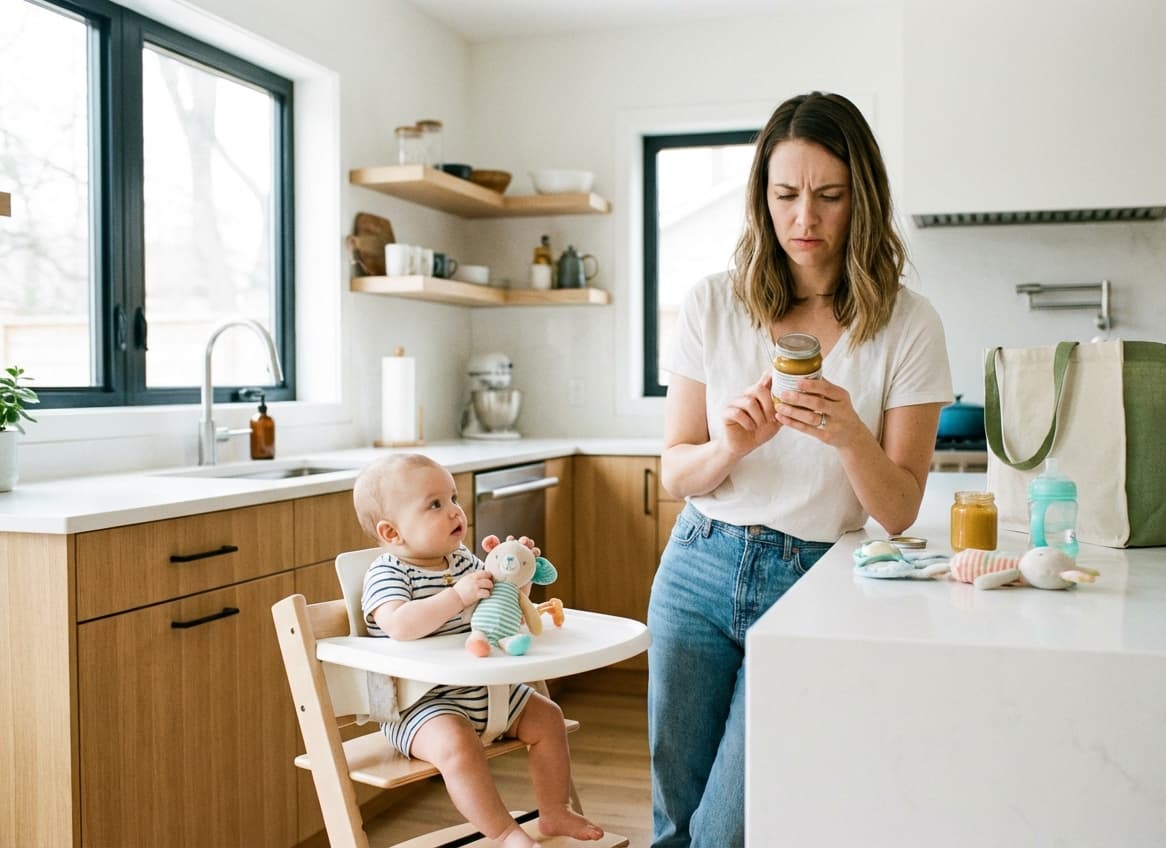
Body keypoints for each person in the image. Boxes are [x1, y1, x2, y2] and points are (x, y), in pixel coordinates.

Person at [648, 91, 954, 846]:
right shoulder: (712, 305)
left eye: (828, 196)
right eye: (785, 196)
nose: (804, 221)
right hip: (696, 568)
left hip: (813, 582)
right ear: (762, 198)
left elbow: (900, 510)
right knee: (675, 817)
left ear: (864, 201)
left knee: (731, 825)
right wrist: (730, 449)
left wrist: (851, 434)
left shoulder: (906, 324)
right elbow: (674, 473)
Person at [352, 453, 604, 848]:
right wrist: (456, 596)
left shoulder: (464, 561)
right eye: (435, 504)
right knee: (457, 747)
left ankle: (555, 811)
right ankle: (504, 833)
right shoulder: (388, 572)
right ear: (391, 532)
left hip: (486, 692)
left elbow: (500, 613)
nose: (455, 511)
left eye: (453, 498)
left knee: (548, 718)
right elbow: (399, 625)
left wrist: (518, 581)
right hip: (419, 707)